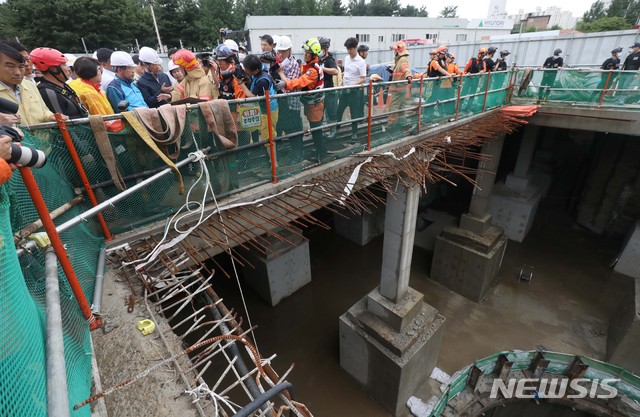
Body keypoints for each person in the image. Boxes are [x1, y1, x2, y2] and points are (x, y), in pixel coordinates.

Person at [276, 38, 326, 162]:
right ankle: (320, 151)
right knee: (315, 129)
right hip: (312, 104)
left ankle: (322, 154)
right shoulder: (310, 66)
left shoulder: (313, 70)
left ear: (314, 54)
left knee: (316, 130)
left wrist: (285, 83)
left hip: (315, 104)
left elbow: (300, 81)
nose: (305, 54)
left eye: (307, 53)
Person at [0, 43, 57, 125]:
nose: (18, 73)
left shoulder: (29, 85)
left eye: (21, 67)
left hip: (40, 137)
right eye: (11, 66)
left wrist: (50, 116)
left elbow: (44, 110)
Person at [30, 47, 88, 119]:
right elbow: (62, 124)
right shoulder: (48, 92)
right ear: (53, 69)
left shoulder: (63, 86)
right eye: (64, 65)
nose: (68, 68)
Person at [274, 35, 305, 145]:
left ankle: (297, 155)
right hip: (283, 103)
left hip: (292, 102)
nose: (281, 54)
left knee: (294, 130)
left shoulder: (293, 64)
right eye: (279, 52)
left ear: (290, 50)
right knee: (282, 128)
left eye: (283, 51)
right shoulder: (280, 63)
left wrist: (281, 74)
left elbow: (290, 85)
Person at [337, 37, 366, 141]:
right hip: (345, 90)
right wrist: (341, 81)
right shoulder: (346, 58)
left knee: (354, 113)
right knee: (339, 110)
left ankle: (354, 132)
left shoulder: (361, 62)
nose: (349, 51)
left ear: (355, 48)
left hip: (354, 92)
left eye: (350, 49)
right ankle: (336, 128)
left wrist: (353, 84)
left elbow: (363, 79)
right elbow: (347, 73)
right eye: (347, 49)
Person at [386, 41, 412, 130]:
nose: (394, 52)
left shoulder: (402, 60)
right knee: (401, 107)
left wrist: (409, 75)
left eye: (395, 51)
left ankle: (391, 126)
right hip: (401, 87)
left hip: (398, 88)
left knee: (393, 107)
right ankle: (403, 124)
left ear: (398, 51)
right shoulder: (400, 60)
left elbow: (406, 69)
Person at [318, 37, 339, 139]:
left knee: (331, 111)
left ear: (326, 49)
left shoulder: (329, 60)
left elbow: (335, 71)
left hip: (328, 89)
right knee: (320, 112)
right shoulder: (317, 60)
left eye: (321, 48)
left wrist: (323, 68)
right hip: (319, 89)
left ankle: (333, 131)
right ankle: (320, 131)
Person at [461, 47, 487, 112]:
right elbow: (465, 70)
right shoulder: (471, 60)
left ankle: (468, 108)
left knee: (472, 94)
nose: (482, 56)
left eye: (483, 55)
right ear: (479, 54)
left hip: (476, 80)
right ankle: (458, 108)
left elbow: (484, 69)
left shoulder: (483, 62)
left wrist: (482, 71)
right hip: (468, 79)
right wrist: (468, 73)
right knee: (463, 93)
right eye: (481, 54)